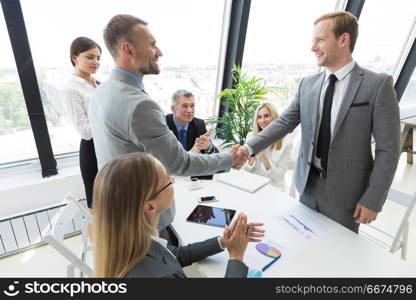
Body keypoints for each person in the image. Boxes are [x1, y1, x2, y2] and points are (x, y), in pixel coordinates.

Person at [237, 11, 400, 233]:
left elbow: (388, 149)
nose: (313, 47)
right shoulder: (307, 84)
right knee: (303, 241)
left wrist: (374, 198)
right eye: (313, 41)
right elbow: (284, 122)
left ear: (344, 39)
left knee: (336, 255)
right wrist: (248, 148)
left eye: (320, 40)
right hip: (307, 185)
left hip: (347, 193)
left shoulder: (377, 85)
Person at [88, 15, 243, 235]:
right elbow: (181, 163)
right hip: (144, 217)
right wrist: (231, 158)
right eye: (152, 45)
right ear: (128, 49)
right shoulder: (139, 104)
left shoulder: (100, 91)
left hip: (118, 207)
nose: (159, 52)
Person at [93, 153, 265, 278]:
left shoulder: (130, 243)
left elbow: (174, 255)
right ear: (150, 207)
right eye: (168, 180)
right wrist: (236, 257)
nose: (173, 182)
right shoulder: (163, 277)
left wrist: (223, 242)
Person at [62, 37, 101, 208]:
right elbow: (85, 132)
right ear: (75, 58)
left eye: (98, 58)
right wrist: (109, 117)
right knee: (101, 206)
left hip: (108, 145)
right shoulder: (71, 89)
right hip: (92, 150)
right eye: (90, 57)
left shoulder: (97, 84)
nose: (96, 62)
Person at [244, 103, 292, 191]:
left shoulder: (287, 142)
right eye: (259, 117)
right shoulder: (251, 136)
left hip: (273, 187)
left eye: (266, 116)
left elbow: (280, 177)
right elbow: (245, 169)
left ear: (274, 117)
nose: (262, 120)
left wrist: (265, 158)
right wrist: (251, 159)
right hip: (251, 184)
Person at [166, 89, 218, 154]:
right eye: (185, 106)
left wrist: (209, 147)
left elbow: (216, 156)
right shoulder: (163, 124)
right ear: (173, 109)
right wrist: (191, 154)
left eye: (192, 106)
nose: (190, 110)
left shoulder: (199, 125)